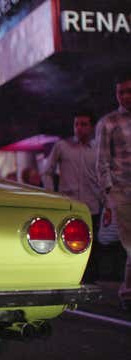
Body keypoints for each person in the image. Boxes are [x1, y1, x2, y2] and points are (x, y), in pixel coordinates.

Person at [42, 111, 102, 282]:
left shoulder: (97, 149)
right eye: (76, 124)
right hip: (69, 205)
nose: (79, 128)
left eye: (84, 124)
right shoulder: (62, 146)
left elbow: (103, 173)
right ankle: (67, 276)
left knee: (91, 245)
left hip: (92, 205)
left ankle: (89, 280)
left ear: (91, 127)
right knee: (66, 242)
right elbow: (47, 171)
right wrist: (53, 195)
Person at [95, 72, 131, 311]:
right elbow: (101, 161)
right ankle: (127, 293)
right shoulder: (108, 122)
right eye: (121, 92)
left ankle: (127, 292)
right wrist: (109, 193)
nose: (125, 96)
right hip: (121, 191)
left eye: (129, 91)